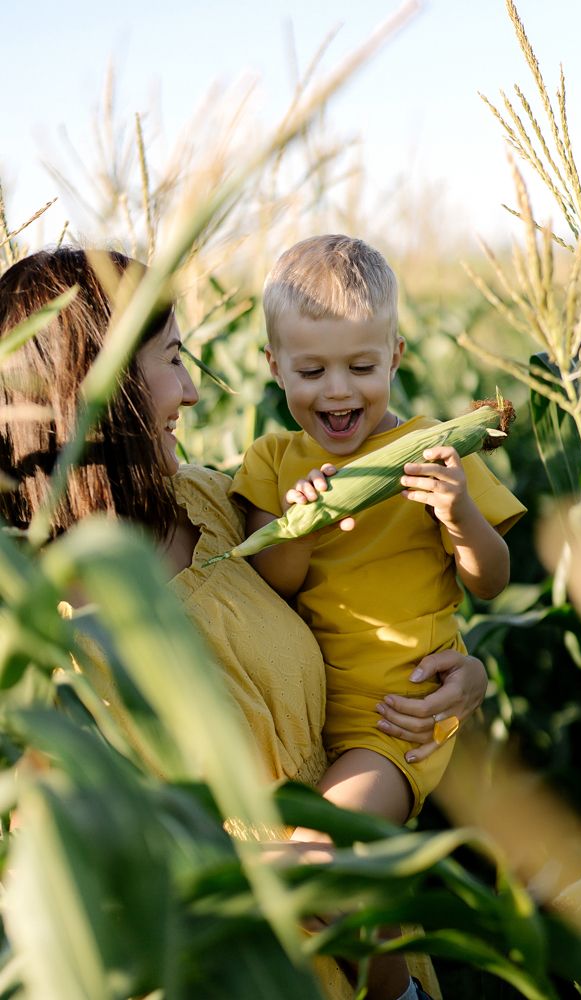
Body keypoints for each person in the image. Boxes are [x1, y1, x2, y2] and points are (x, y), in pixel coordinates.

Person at [0, 247, 491, 1000]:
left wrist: (470, 673)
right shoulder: (31, 638)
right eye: (173, 360)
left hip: (373, 942)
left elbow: (371, 604)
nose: (193, 391)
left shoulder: (218, 507)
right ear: (100, 387)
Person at [231, 234, 526, 832]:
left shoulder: (435, 453)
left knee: (317, 850)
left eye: (361, 368)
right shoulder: (271, 460)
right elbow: (274, 584)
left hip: (395, 720)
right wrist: (301, 525)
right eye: (311, 371)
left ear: (395, 356)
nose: (338, 389)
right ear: (274, 366)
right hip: (298, 719)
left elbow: (491, 581)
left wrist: (460, 516)